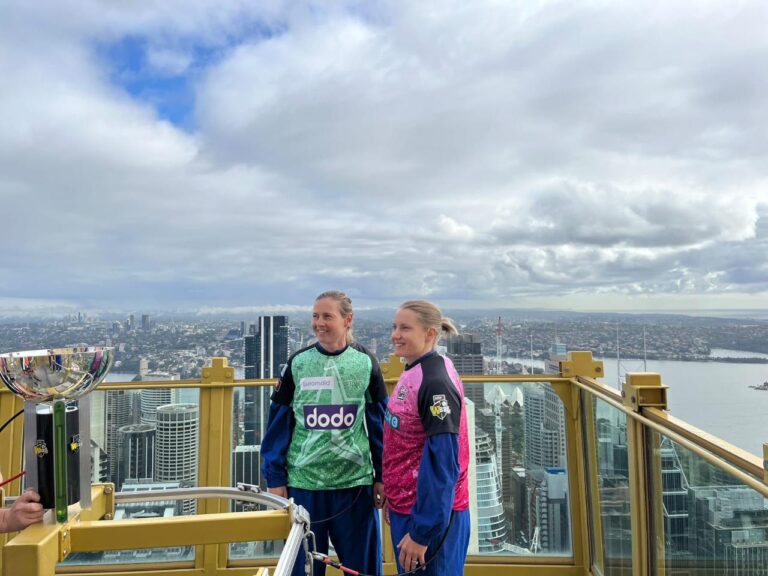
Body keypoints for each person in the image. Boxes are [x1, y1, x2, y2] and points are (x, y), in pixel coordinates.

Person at [261, 290, 387, 576]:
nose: (319, 323)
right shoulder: (298, 363)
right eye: (315, 316)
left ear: (347, 320)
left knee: (363, 570)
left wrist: (382, 477)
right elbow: (277, 425)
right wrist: (276, 479)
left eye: (327, 316)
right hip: (304, 485)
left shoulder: (366, 362)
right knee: (302, 570)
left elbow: (380, 426)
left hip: (354, 486)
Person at [383, 300, 470, 575]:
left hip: (430, 518)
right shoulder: (416, 369)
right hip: (410, 509)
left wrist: (423, 531)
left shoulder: (434, 383)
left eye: (405, 328)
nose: (395, 334)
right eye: (395, 326)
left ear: (430, 333)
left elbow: (444, 463)